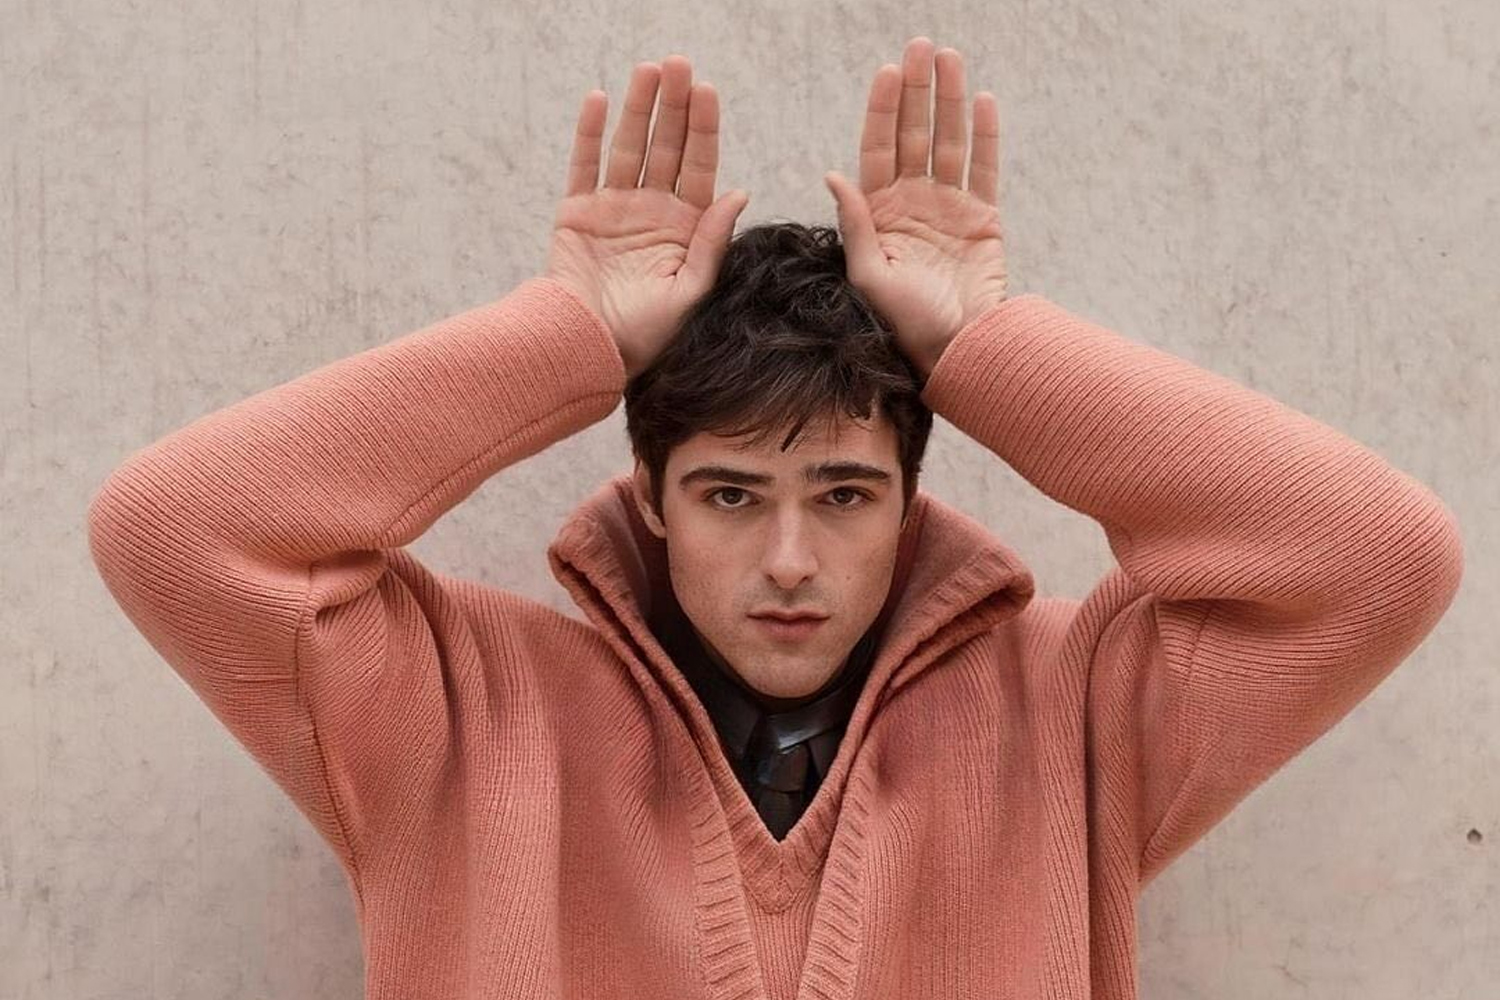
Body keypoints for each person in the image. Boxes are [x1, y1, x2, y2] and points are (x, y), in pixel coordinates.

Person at [88, 35, 1463, 1000]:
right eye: (732, 495)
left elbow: (1369, 558)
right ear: (653, 496)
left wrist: (977, 346)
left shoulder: (1076, 716)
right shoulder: (452, 720)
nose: (789, 562)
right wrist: (572, 337)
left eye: (845, 494)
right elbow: (179, 528)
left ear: (910, 500)